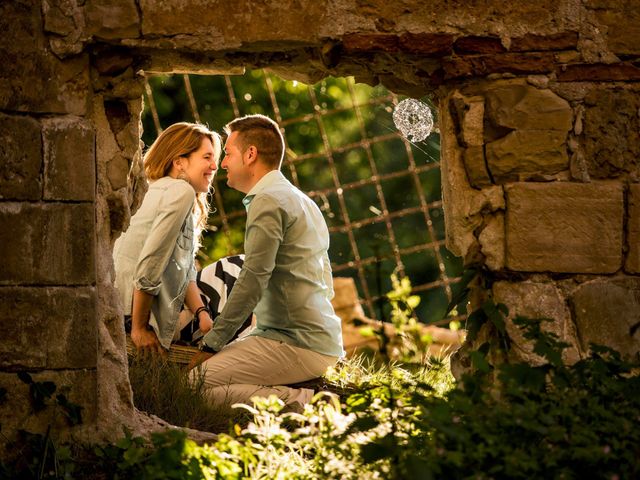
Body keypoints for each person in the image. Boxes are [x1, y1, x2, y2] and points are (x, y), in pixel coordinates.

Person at [190, 114, 344, 411]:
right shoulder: (300, 200)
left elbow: (253, 278)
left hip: (297, 343)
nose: (222, 164)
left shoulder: (268, 200)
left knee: (193, 388)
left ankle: (311, 404)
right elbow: (324, 278)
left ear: (251, 155)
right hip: (312, 338)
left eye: (229, 154)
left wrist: (213, 342)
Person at [113, 122, 221, 355]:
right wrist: (139, 329)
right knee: (235, 274)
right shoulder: (181, 192)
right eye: (207, 157)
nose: (215, 166)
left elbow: (185, 270)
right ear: (179, 161)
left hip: (118, 304)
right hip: (132, 314)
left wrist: (201, 312)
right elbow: (151, 262)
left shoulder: (153, 189)